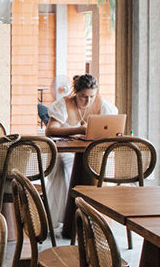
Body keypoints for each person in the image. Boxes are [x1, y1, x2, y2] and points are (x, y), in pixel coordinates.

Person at [44, 74, 118, 234]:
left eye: (92, 96)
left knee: (99, 165)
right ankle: (68, 215)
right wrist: (79, 129)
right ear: (75, 93)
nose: (88, 101)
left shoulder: (101, 104)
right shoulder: (64, 104)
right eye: (84, 96)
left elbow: (112, 125)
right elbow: (50, 130)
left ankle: (94, 218)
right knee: (65, 164)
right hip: (66, 152)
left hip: (91, 151)